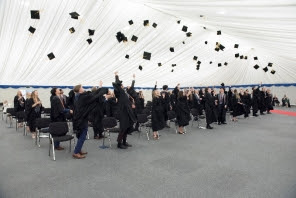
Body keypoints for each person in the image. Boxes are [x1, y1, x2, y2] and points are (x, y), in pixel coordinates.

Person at [72, 82, 110, 159]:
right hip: (81, 119)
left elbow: (92, 95)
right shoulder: (82, 97)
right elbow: (94, 96)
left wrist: (100, 88)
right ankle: (76, 152)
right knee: (82, 136)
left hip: (81, 118)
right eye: (82, 87)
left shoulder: (78, 96)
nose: (83, 88)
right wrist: (102, 90)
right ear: (79, 90)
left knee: (81, 136)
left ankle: (78, 150)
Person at [112, 72, 137, 149]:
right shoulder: (119, 91)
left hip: (128, 112)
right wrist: (116, 76)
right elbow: (117, 84)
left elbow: (132, 88)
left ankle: (124, 142)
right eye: (121, 84)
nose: (122, 84)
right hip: (123, 112)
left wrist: (133, 79)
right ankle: (119, 144)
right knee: (123, 128)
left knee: (126, 127)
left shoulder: (126, 92)